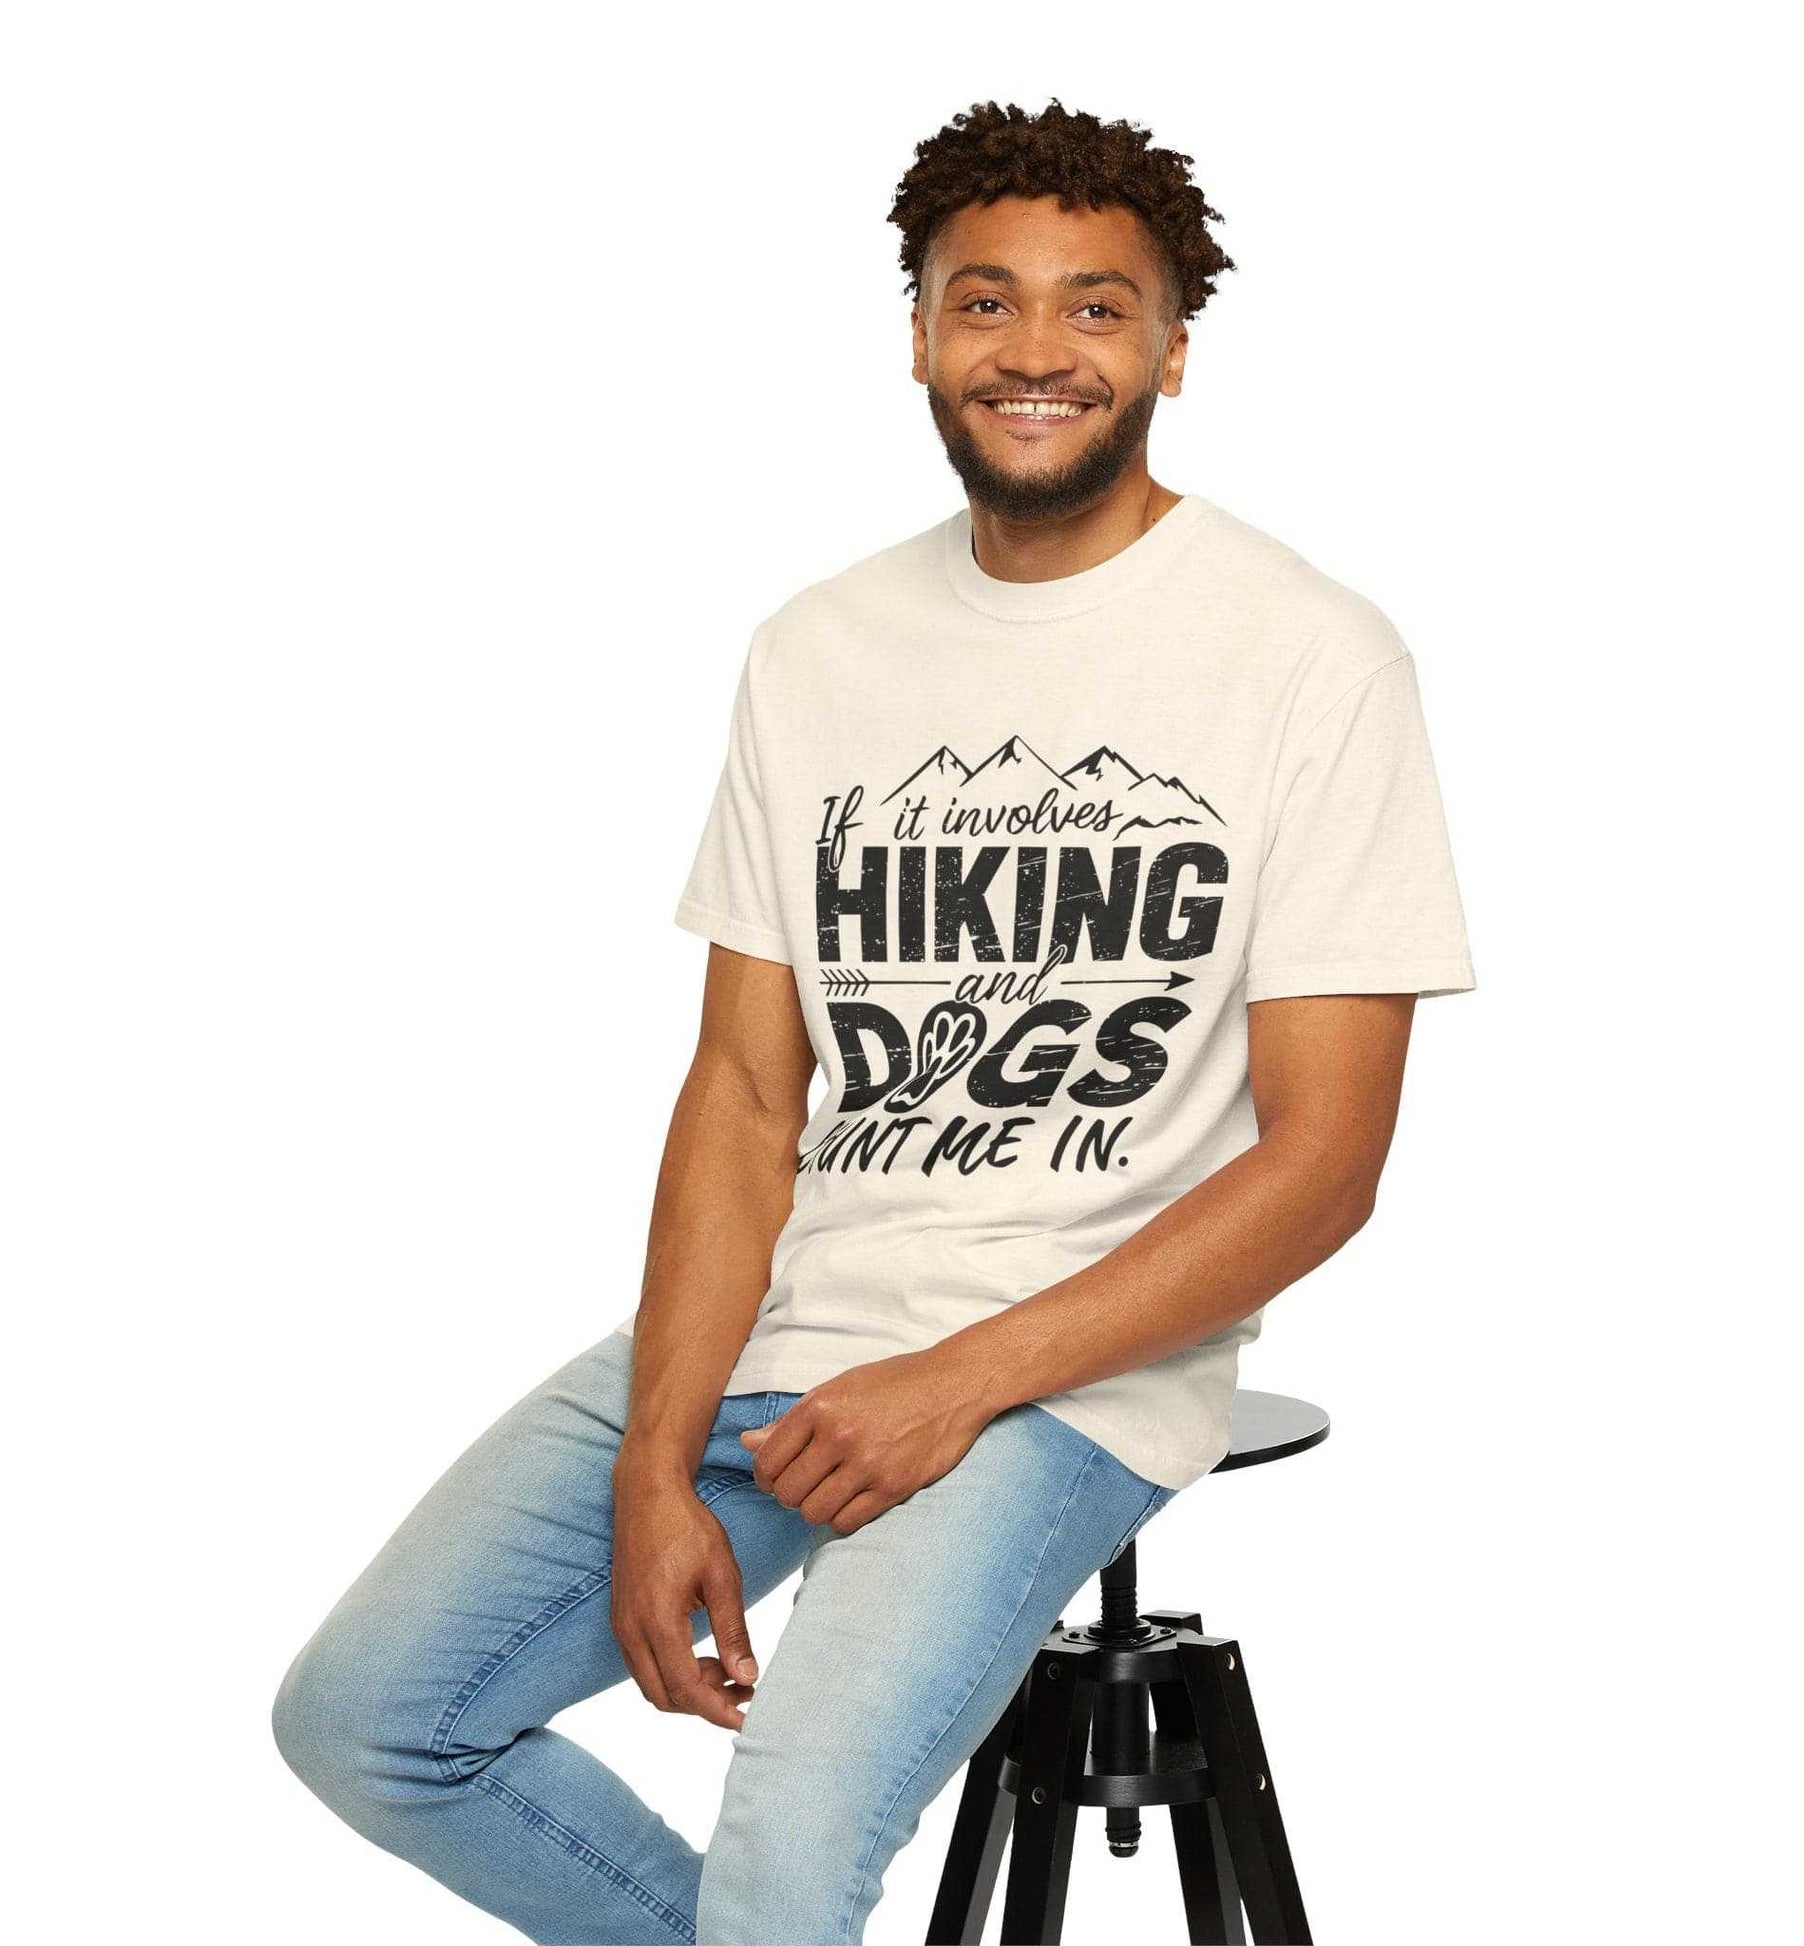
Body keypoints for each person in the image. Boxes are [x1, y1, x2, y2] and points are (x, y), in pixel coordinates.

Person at [271, 98, 1475, 1945]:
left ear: (1169, 348)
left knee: (786, 1860)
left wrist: (953, 1381)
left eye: (1095, 307)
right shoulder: (817, 647)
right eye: (982, 302)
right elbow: (747, 1095)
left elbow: (1324, 1166)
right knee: (372, 1720)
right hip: (792, 1323)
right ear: (919, 333)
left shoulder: (1307, 652)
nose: (1034, 351)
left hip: (1070, 1364)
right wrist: (656, 1460)